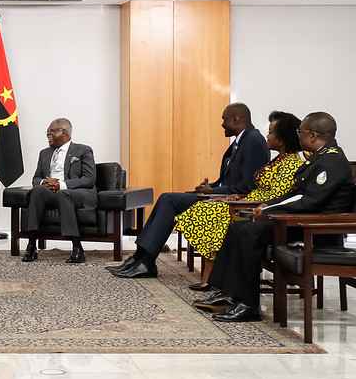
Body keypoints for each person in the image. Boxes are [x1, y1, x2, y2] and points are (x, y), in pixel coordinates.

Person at [194, 112, 353, 322]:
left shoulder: (331, 162)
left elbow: (310, 201)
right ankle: (230, 293)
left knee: (250, 232)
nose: (298, 136)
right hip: (300, 222)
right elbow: (297, 195)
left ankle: (249, 305)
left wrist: (269, 210)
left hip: (314, 230)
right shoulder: (321, 157)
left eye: (301, 132)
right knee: (237, 227)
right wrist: (267, 206)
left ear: (313, 135)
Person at [108, 102, 270, 278]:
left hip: (229, 203)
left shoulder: (253, 141)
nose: (222, 124)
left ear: (237, 119)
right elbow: (227, 180)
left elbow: (247, 187)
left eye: (224, 119)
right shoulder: (241, 141)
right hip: (219, 196)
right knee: (166, 199)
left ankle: (145, 260)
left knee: (169, 200)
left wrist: (212, 192)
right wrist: (211, 187)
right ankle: (141, 257)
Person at [174, 111, 305, 291]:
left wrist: (243, 201)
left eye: (271, 132)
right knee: (205, 206)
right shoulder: (279, 160)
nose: (267, 135)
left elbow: (276, 196)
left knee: (209, 212)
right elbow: (261, 188)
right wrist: (238, 197)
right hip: (248, 202)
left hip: (257, 210)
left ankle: (211, 278)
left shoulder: (292, 164)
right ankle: (212, 276)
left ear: (281, 140)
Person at [21, 118, 96, 263]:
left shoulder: (83, 150)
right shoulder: (44, 153)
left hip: (77, 192)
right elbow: (36, 178)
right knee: (36, 192)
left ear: (65, 133)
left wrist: (61, 185)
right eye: (47, 132)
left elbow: (89, 179)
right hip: (51, 191)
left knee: (63, 194)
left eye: (52, 132)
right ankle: (31, 245)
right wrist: (45, 182)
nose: (48, 135)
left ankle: (77, 248)